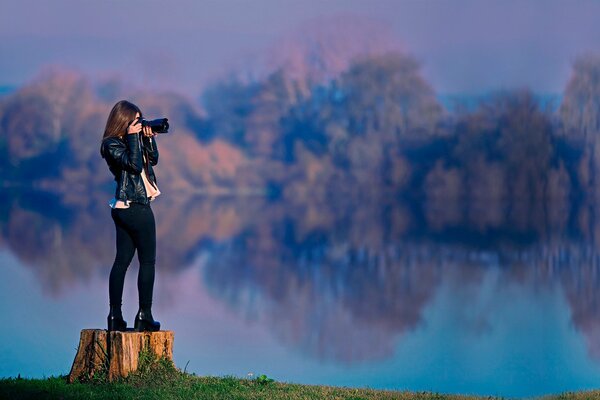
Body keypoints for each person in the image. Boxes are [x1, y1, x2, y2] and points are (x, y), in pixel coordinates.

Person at [100, 100, 162, 332]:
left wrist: (148, 137)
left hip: (127, 209)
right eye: (135, 121)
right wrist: (134, 138)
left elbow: (151, 161)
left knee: (122, 261)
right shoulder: (111, 144)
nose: (138, 124)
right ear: (123, 121)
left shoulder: (130, 141)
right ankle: (143, 315)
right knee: (147, 261)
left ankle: (116, 318)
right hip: (135, 207)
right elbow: (134, 166)